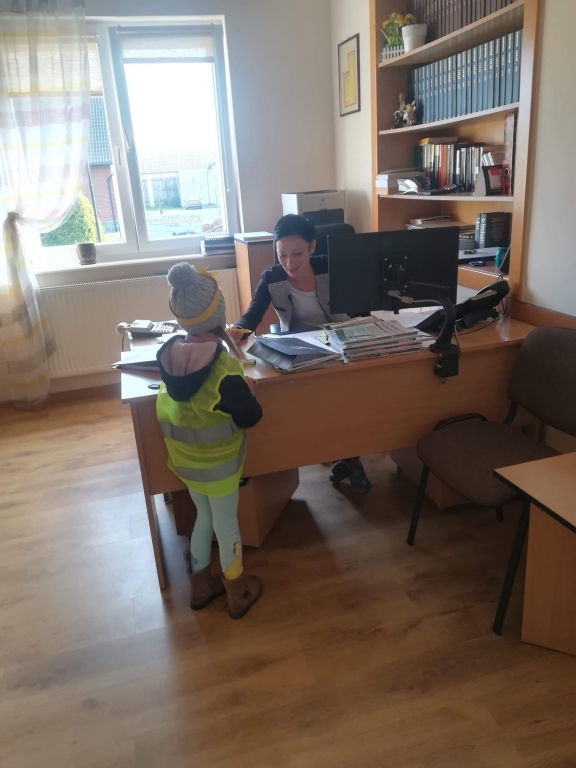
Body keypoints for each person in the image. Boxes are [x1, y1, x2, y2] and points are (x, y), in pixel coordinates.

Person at [228, 214, 370, 494]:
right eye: (282, 255)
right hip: (300, 348)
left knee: (347, 393)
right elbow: (251, 317)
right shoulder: (272, 278)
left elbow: (362, 308)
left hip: (342, 342)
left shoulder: (331, 266)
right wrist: (237, 330)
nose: (289, 263)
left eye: (297, 254)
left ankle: (348, 455)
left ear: (312, 247)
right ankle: (346, 456)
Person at [156, 262, 263, 619]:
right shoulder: (224, 368)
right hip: (219, 465)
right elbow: (249, 417)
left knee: (203, 517)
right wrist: (249, 393)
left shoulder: (169, 356)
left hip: (187, 462)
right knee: (226, 523)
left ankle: (200, 587)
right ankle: (237, 593)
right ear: (219, 315)